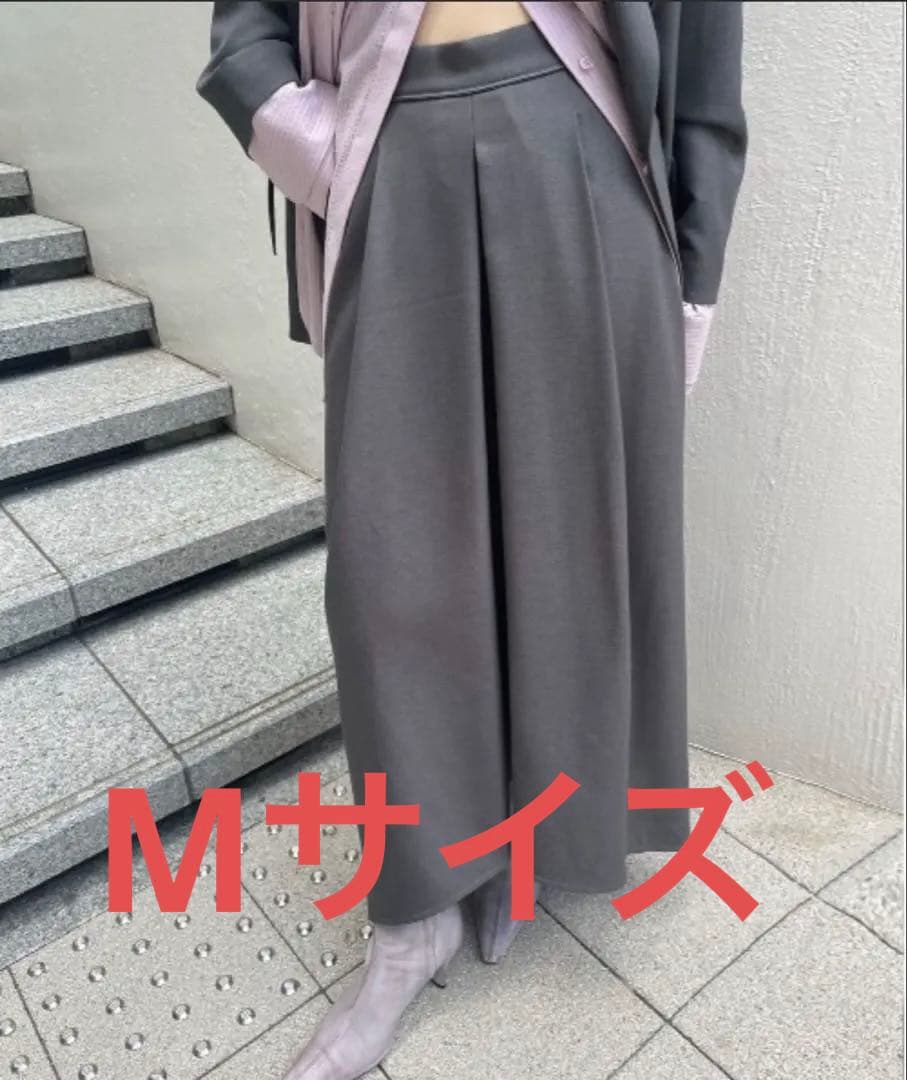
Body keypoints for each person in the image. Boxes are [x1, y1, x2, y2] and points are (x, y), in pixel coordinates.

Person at [197, 2, 747, 1076]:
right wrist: (329, 152)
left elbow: (705, 67)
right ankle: (414, 916)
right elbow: (244, 35)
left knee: (565, 557)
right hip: (394, 167)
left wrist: (688, 281)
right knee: (390, 577)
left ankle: (526, 844)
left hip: (584, 157)